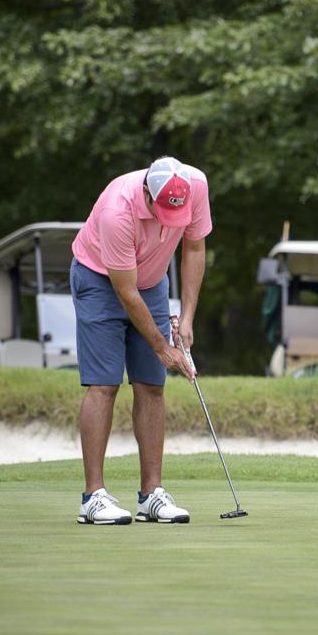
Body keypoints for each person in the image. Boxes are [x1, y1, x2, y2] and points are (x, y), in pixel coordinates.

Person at [71, 156, 210, 525]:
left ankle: (151, 495)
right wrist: (162, 347)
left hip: (152, 281)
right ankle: (93, 497)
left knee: (151, 384)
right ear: (147, 193)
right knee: (104, 384)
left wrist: (187, 319)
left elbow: (195, 248)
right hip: (101, 280)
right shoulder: (117, 209)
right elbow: (126, 292)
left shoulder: (195, 186)